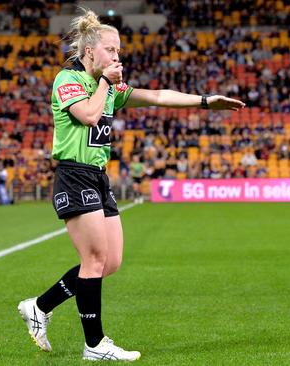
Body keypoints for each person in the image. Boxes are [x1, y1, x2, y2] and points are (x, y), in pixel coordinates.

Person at [17, 9, 244, 362]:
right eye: (111, 50)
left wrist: (205, 102)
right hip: (73, 175)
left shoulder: (109, 87)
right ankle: (94, 344)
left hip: (97, 176)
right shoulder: (68, 80)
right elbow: (90, 116)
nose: (117, 57)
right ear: (90, 51)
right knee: (93, 260)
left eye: (119, 51)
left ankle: (40, 306)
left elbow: (157, 97)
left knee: (111, 261)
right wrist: (107, 82)